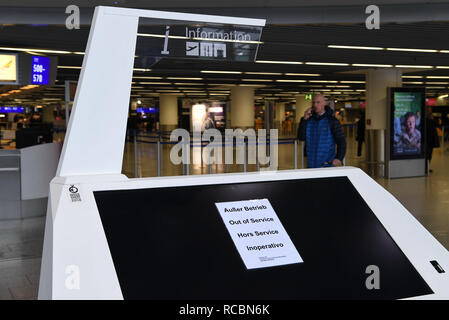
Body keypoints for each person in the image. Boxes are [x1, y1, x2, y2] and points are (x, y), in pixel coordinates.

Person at [297, 94, 346, 168]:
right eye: (313, 103)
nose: (315, 105)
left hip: (327, 163)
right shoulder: (308, 120)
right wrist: (304, 120)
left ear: (324, 104)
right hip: (311, 163)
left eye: (318, 102)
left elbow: (341, 141)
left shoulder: (332, 121)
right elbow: (301, 137)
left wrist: (339, 158)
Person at [425, 107, 440, 172]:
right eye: (428, 111)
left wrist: (432, 118)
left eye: (430, 111)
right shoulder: (425, 119)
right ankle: (425, 167)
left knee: (430, 154)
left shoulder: (432, 119)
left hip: (431, 139)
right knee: (426, 154)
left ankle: (427, 167)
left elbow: (437, 125)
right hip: (426, 139)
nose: (429, 112)